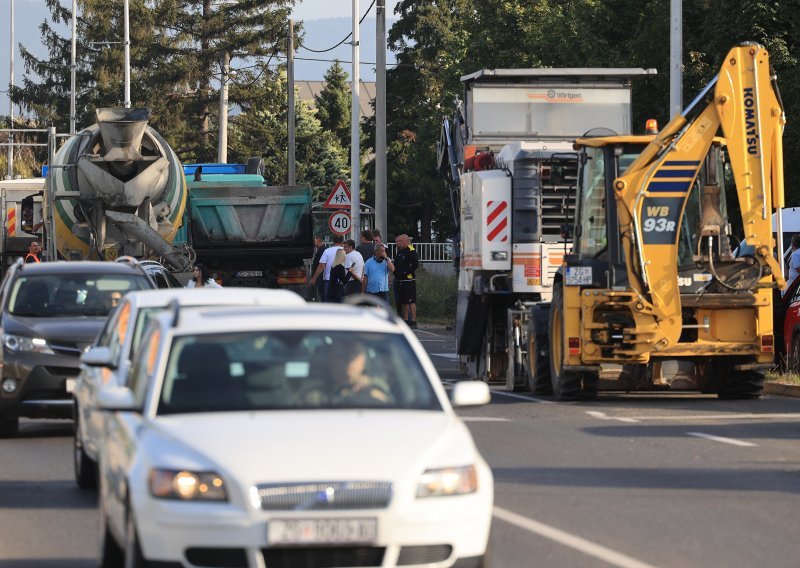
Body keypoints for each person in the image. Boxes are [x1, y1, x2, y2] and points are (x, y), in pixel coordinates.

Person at [394, 234, 419, 328]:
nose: (397, 243)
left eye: (398, 241)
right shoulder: (400, 251)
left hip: (409, 279)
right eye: (396, 242)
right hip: (400, 279)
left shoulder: (411, 251)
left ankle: (413, 321)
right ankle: (405, 320)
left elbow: (415, 265)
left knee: (411, 300)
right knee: (403, 301)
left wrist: (406, 273)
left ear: (405, 240)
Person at [309, 234, 344, 301]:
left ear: (333, 241)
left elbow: (321, 266)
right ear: (342, 242)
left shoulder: (327, 251)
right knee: (340, 301)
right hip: (341, 280)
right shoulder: (345, 251)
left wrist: (314, 278)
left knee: (328, 301)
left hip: (328, 279)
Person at [311, 236, 327, 302]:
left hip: (321, 275)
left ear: (318, 241)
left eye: (314, 241)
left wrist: (314, 278)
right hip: (320, 275)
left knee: (322, 292)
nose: (313, 243)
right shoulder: (321, 249)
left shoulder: (322, 250)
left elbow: (321, 265)